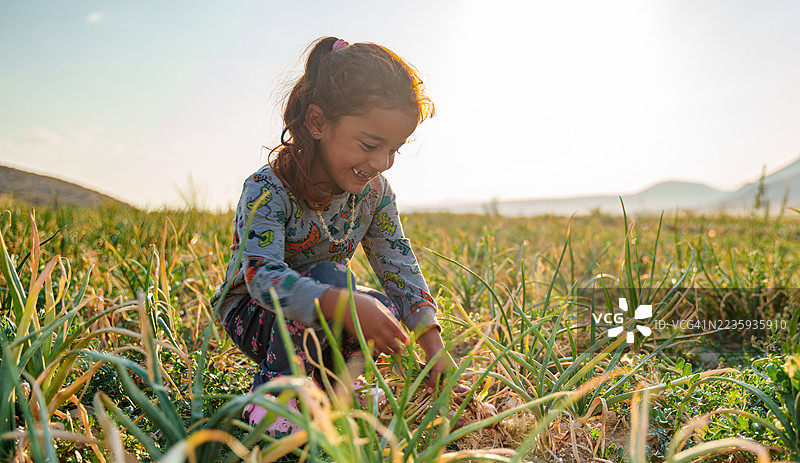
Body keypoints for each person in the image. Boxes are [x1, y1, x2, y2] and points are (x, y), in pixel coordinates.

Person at [211, 36, 455, 437]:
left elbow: (398, 264)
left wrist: (433, 346)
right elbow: (261, 279)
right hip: (254, 315)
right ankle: (277, 396)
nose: (380, 163)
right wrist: (342, 302)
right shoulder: (268, 190)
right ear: (317, 123)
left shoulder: (375, 193)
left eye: (394, 149)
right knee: (332, 278)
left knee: (384, 309)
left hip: (326, 307)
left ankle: (331, 385)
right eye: (370, 145)